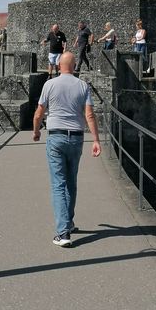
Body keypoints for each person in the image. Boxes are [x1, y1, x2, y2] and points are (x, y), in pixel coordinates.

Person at [32, 51, 101, 246]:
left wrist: (36, 131)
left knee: (58, 184)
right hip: (76, 138)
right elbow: (89, 115)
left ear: (59, 65)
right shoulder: (82, 85)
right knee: (71, 182)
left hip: (56, 137)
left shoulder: (49, 84)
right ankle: (68, 223)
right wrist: (95, 140)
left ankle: (62, 234)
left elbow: (39, 113)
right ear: (74, 65)